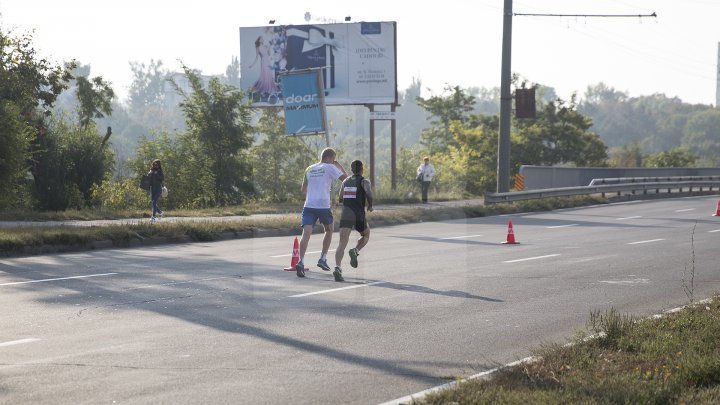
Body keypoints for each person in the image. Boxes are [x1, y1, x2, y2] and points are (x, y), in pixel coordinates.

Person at [295, 148, 348, 278]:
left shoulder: (309, 168)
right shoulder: (330, 167)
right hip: (323, 206)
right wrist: (338, 166)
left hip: (309, 205)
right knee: (329, 230)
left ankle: (300, 262)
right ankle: (323, 258)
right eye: (333, 159)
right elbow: (346, 180)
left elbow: (303, 189)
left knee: (306, 233)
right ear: (330, 158)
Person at [333, 160, 373, 282]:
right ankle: (355, 251)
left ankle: (337, 268)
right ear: (362, 169)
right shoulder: (364, 181)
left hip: (346, 214)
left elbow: (340, 198)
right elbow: (369, 193)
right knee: (366, 234)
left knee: (342, 243)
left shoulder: (345, 182)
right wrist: (370, 205)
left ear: (351, 169)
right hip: (358, 215)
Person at [248, 35, 279, 103]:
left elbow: (269, 54)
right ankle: (257, 89)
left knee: (269, 75)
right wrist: (252, 65)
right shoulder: (258, 48)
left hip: (268, 61)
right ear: (259, 40)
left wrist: (270, 46)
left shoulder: (265, 46)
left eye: (262, 38)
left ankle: (268, 91)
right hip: (263, 62)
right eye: (261, 38)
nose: (262, 39)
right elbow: (256, 57)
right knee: (264, 76)